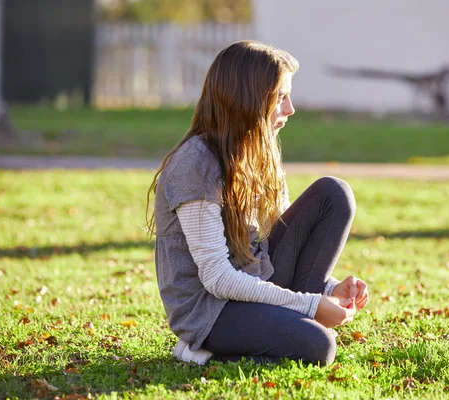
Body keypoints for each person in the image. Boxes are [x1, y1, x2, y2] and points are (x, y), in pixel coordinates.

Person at [145, 40, 369, 366]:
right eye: (280, 97)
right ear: (248, 99)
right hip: (212, 310)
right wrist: (309, 307)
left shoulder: (259, 152)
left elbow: (282, 242)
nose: (290, 109)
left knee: (334, 195)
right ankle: (203, 352)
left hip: (255, 282)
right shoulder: (196, 163)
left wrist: (329, 290)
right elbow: (217, 279)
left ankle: (291, 325)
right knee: (319, 347)